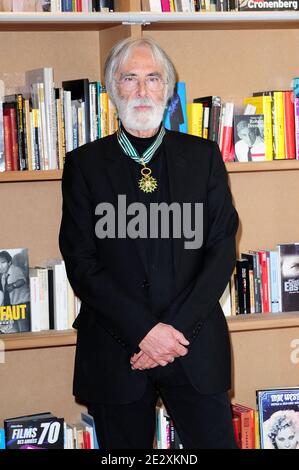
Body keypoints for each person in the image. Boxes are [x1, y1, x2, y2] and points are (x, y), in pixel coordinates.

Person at [59, 36, 239, 449]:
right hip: (115, 349)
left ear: (168, 90)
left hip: (192, 344)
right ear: (111, 90)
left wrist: (169, 333)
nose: (142, 90)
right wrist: (144, 331)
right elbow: (81, 261)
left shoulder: (204, 157)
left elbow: (221, 249)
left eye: (153, 78)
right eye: (130, 79)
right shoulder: (84, 165)